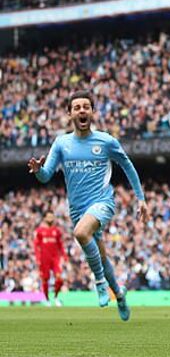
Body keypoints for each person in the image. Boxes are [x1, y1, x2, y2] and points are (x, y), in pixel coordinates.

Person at [28, 90, 148, 321]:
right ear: (70, 114)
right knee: (101, 256)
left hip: (102, 202)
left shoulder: (106, 141)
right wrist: (38, 171)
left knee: (81, 233)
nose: (82, 110)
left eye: (86, 106)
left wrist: (140, 198)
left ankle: (100, 282)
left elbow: (127, 166)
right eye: (77, 107)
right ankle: (119, 295)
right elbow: (46, 176)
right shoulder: (62, 143)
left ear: (92, 112)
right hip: (77, 209)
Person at [33, 212, 67, 306]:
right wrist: (38, 258)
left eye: (52, 217)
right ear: (44, 218)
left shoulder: (57, 231)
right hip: (44, 258)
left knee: (59, 278)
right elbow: (36, 246)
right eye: (48, 217)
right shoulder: (39, 231)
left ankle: (56, 297)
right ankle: (47, 299)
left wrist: (64, 256)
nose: (50, 218)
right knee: (45, 279)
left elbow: (60, 245)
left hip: (55, 258)